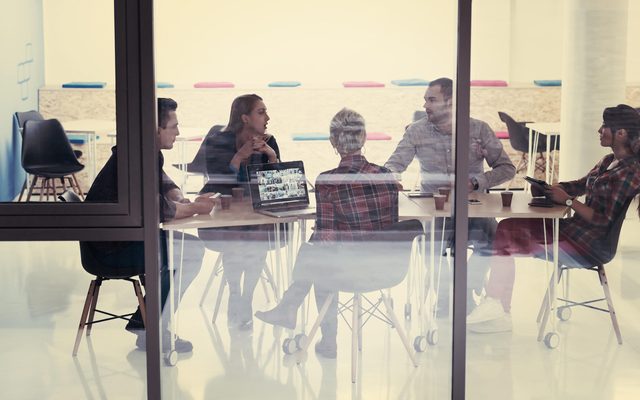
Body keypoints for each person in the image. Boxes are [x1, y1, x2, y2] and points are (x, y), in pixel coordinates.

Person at [467, 104, 640, 333]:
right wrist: (553, 188)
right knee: (507, 227)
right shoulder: (608, 161)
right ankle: (497, 306)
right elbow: (580, 184)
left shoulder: (631, 172)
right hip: (574, 231)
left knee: (507, 233)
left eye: (605, 126)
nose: (599, 130)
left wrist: (568, 201)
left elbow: (602, 220)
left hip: (590, 246)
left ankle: (498, 307)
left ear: (621, 133)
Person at [255, 108, 400, 358]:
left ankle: (322, 336)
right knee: (319, 253)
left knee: (317, 256)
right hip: (388, 268)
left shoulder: (328, 181)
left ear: (333, 141)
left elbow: (326, 237)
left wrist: (312, 245)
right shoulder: (387, 176)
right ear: (364, 137)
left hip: (351, 273)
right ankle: (290, 307)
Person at [83, 98, 216, 352]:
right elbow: (160, 211)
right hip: (110, 251)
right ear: (156, 129)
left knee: (186, 250)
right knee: (190, 252)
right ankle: (149, 327)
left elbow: (162, 184)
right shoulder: (136, 159)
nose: (178, 132)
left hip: (124, 239)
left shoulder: (142, 151)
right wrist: (196, 207)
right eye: (173, 126)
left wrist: (178, 194)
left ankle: (146, 323)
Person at [384, 77, 516, 314]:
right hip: (433, 210)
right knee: (429, 248)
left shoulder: (479, 129)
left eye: (431, 100)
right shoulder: (416, 131)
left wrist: (477, 181)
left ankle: (465, 289)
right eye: (425, 100)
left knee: (495, 240)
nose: (425, 105)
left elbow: (507, 168)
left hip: (473, 208)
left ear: (450, 102)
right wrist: (392, 178)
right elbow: (393, 165)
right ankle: (446, 297)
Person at [198, 94, 280, 330]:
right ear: (245, 118)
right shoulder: (219, 140)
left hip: (256, 215)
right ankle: (235, 294)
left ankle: (246, 297)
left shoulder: (269, 141)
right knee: (237, 239)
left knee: (256, 240)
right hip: (223, 216)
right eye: (261, 112)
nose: (268, 118)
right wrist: (240, 156)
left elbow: (275, 185)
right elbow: (216, 179)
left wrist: (271, 156)